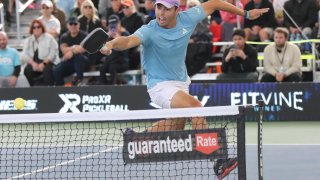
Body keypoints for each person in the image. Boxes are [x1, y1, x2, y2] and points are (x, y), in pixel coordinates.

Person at [100, 0, 268, 178]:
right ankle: (217, 162)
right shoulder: (150, 30)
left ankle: (137, 139)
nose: (161, 13)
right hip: (159, 86)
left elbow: (215, 3)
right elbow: (127, 41)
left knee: (178, 124)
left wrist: (247, 14)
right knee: (195, 107)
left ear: (176, 10)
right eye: (158, 7)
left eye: (166, 9)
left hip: (181, 82)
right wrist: (110, 45)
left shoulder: (187, 18)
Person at [53, 17, 89, 86]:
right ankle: (60, 87)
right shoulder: (64, 36)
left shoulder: (84, 35)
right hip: (69, 61)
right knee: (56, 69)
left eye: (75, 24)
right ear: (67, 26)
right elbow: (64, 50)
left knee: (78, 57)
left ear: (79, 25)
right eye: (71, 24)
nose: (73, 26)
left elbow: (82, 49)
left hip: (83, 62)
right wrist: (74, 47)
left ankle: (79, 81)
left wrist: (72, 52)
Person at [23, 20, 59, 86]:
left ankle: (49, 90)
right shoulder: (28, 40)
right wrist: (33, 64)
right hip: (35, 63)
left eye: (38, 27)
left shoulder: (49, 38)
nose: (36, 29)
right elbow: (25, 55)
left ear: (42, 28)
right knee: (27, 70)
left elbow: (53, 53)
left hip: (48, 62)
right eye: (34, 27)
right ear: (32, 29)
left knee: (47, 70)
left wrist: (44, 64)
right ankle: (32, 88)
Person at [97, 15, 130, 85]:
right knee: (102, 68)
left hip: (122, 61)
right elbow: (100, 51)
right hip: (110, 61)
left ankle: (113, 87)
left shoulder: (125, 33)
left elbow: (126, 52)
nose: (113, 28)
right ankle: (104, 88)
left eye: (115, 25)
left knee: (112, 67)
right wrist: (106, 38)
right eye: (112, 26)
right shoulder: (107, 35)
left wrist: (119, 39)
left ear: (119, 24)